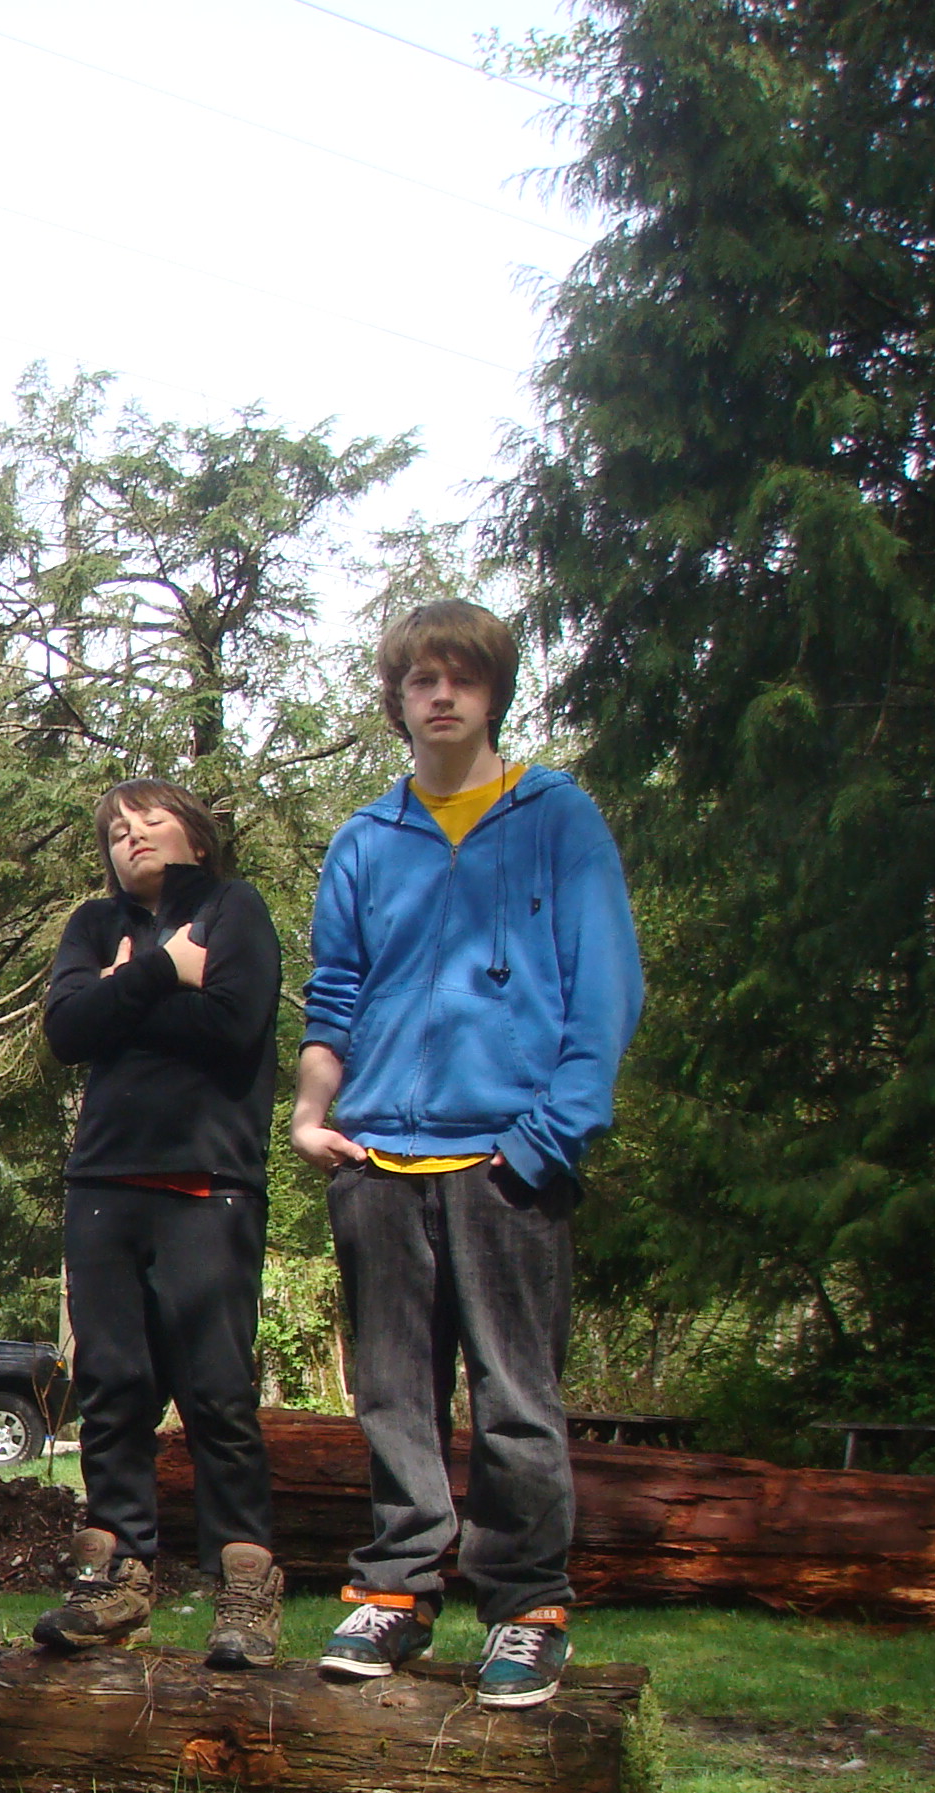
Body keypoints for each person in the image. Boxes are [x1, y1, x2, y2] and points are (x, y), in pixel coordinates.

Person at [294, 601, 643, 1707]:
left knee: (517, 1401)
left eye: (463, 679)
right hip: (379, 1163)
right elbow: (336, 992)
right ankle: (394, 1595)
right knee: (394, 1398)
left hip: (508, 1162)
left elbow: (605, 992)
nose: (441, 696)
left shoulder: (557, 818)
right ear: (397, 702)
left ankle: (527, 1611)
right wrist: (312, 1116)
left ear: (494, 694)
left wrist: (548, 1140)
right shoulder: (366, 840)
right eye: (421, 681)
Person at [34, 779, 287, 1666]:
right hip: (103, 1184)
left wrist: (121, 999)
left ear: (198, 838)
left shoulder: (234, 909)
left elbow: (234, 1024)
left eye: (150, 820)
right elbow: (68, 1030)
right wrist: (161, 971)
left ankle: (246, 1589)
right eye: (115, 830)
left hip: (209, 1186)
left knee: (217, 1394)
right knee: (112, 1389)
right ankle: (116, 1581)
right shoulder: (93, 925)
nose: (131, 835)